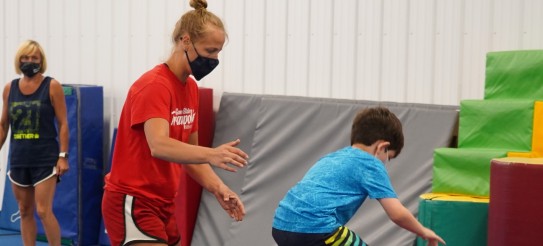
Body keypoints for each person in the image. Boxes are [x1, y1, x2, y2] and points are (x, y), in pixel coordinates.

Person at [101, 0, 249, 245]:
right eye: (210, 51)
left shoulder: (190, 87)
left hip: (163, 203)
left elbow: (190, 156)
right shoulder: (154, 86)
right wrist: (212, 154)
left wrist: (219, 188)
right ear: (186, 41)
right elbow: (158, 145)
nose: (214, 59)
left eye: (218, 52)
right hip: (134, 200)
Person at [272, 107, 446, 246]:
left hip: (281, 225)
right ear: (382, 147)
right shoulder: (370, 163)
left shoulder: (333, 157)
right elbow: (397, 214)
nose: (385, 162)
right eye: (389, 157)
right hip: (318, 229)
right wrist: (423, 231)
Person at [0, 40, 69, 246]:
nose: (29, 61)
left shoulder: (52, 86)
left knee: (43, 210)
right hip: (20, 159)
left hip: (45, 159)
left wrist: (63, 156)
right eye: (26, 57)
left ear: (41, 61)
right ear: (19, 60)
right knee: (24, 210)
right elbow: (3, 125)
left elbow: (63, 123)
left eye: (34, 58)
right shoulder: (9, 88)